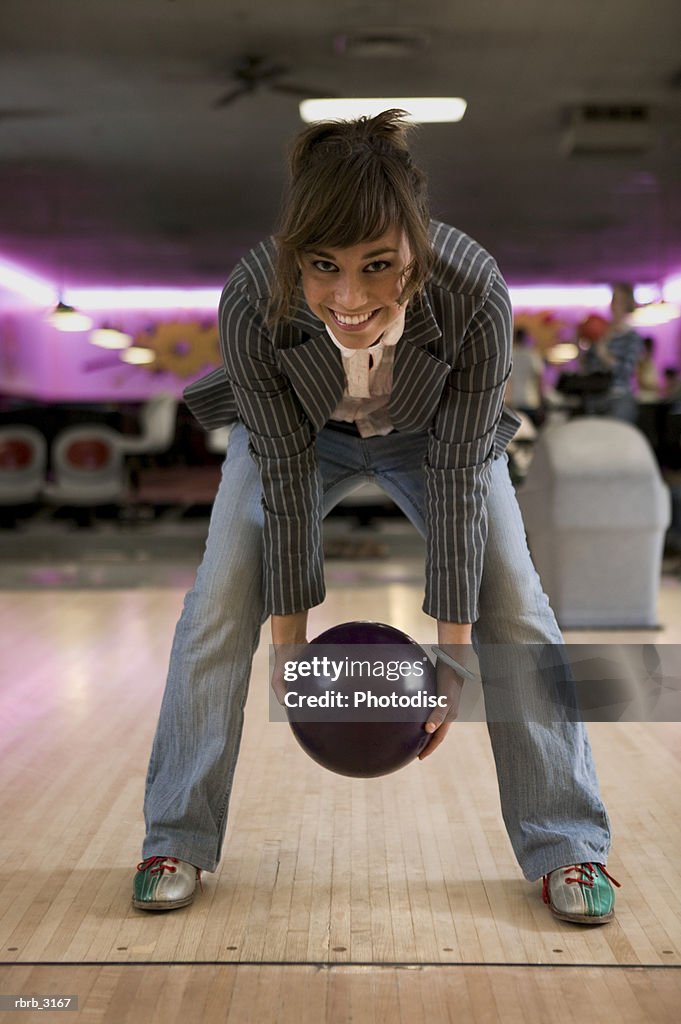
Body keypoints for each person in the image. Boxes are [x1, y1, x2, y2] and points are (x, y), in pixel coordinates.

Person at [133, 110, 618, 924]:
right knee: (217, 604)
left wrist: (452, 657)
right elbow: (282, 479)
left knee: (516, 606)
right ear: (295, 256)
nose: (348, 298)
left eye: (377, 266)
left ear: (415, 250)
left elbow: (463, 479)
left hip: (434, 439)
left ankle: (567, 846)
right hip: (298, 433)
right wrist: (289, 657)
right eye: (322, 267)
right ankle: (173, 835)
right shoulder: (255, 295)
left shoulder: (473, 291)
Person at [582, 283, 643, 421]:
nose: (614, 305)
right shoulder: (602, 333)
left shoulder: (631, 338)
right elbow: (587, 367)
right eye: (613, 300)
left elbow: (626, 370)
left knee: (617, 439)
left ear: (627, 305)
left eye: (619, 301)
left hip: (618, 399)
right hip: (596, 398)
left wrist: (604, 354)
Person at [506, 326, 545, 426]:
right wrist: (542, 401)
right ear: (526, 338)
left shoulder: (510, 355)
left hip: (514, 401)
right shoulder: (533, 355)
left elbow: (507, 381)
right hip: (530, 401)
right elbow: (539, 380)